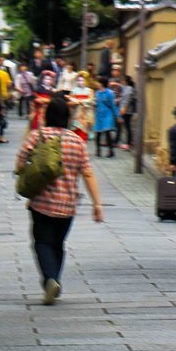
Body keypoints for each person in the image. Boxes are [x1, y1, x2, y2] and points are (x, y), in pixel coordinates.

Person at [15, 95, 104, 305]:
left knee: (42, 242)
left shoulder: (37, 136)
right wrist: (97, 204)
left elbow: (19, 164)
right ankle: (55, 278)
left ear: (47, 115)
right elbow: (88, 173)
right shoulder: (77, 141)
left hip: (41, 203)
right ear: (67, 116)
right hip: (68, 204)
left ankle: (50, 279)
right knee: (58, 243)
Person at [94, 77, 119, 158]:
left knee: (107, 132)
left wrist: (117, 116)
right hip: (99, 115)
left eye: (98, 82)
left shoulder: (109, 93)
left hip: (107, 114)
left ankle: (111, 151)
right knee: (98, 133)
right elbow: (96, 103)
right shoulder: (97, 93)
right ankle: (98, 150)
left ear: (101, 84)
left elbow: (113, 105)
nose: (97, 84)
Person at [68, 73, 95, 142]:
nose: (80, 82)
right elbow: (70, 100)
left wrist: (80, 101)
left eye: (82, 80)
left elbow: (91, 101)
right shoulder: (74, 90)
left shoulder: (89, 90)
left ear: (86, 81)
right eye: (79, 80)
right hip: (76, 115)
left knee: (83, 132)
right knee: (75, 130)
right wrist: (75, 102)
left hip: (85, 115)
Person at [117, 75, 136, 150]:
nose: (121, 82)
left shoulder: (129, 89)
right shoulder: (124, 88)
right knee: (125, 127)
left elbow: (127, 100)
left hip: (127, 111)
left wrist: (123, 109)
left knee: (128, 127)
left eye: (123, 80)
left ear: (126, 81)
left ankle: (128, 143)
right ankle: (127, 142)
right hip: (123, 109)